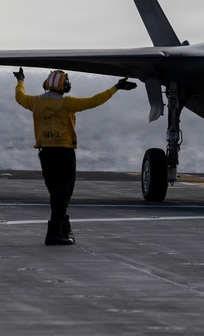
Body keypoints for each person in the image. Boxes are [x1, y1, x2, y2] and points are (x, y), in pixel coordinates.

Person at [13, 67, 136, 245]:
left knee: (55, 192)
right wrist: (115, 88)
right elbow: (94, 101)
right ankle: (54, 232)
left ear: (46, 84)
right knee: (64, 193)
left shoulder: (35, 102)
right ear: (65, 86)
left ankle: (64, 228)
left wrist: (20, 81)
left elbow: (19, 98)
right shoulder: (68, 103)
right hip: (64, 153)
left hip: (45, 153)